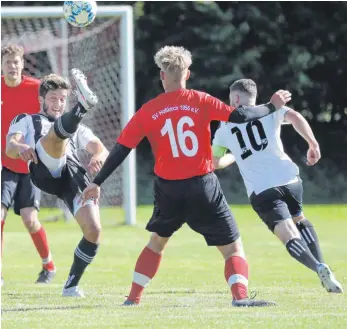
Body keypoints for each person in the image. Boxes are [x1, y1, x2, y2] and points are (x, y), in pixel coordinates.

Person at [82, 46, 292, 307]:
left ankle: (133, 299)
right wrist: (272, 107)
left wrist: (96, 182)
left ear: (162, 75)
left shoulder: (149, 110)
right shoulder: (201, 100)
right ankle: (239, 298)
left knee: (157, 242)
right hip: (202, 186)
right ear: (188, 74)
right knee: (232, 248)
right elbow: (240, 116)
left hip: (167, 189)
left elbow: (121, 150)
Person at [212, 78, 343, 293]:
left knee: (288, 234)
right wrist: (313, 143)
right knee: (299, 219)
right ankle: (323, 264)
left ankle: (317, 267)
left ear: (235, 98)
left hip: (262, 190)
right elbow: (295, 117)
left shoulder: (225, 126)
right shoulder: (269, 110)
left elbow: (215, 162)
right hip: (290, 179)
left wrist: (234, 156)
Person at [6, 69, 109, 297]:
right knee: (55, 136)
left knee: (93, 230)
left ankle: (71, 286)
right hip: (42, 166)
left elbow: (101, 149)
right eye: (53, 98)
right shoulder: (26, 119)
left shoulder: (77, 128)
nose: (58, 103)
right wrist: (22, 148)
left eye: (63, 99)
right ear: (41, 99)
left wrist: (96, 158)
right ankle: (83, 107)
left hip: (71, 175)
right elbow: (9, 146)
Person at [1, 44, 56, 285]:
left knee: (29, 219)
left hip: (31, 164)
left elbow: (53, 115)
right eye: (7, 62)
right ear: (1, 65)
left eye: (16, 62)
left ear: (23, 64)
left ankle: (49, 266)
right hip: (3, 163)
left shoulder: (36, 89)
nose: (12, 66)